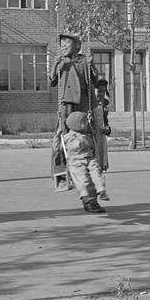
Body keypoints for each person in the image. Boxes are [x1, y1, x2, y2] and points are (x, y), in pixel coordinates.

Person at [49, 32, 99, 188]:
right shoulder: (62, 62)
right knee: (62, 139)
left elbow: (94, 80)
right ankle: (61, 174)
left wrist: (92, 65)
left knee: (84, 139)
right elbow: (53, 81)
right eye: (61, 43)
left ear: (77, 45)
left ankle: (87, 172)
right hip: (67, 104)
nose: (63, 46)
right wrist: (56, 65)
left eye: (67, 43)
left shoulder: (84, 60)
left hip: (83, 105)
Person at [63, 111, 109, 213]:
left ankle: (101, 190)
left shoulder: (87, 133)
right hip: (76, 161)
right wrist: (79, 142)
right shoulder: (71, 135)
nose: (87, 124)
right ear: (76, 124)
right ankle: (85, 196)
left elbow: (92, 135)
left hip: (89, 158)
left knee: (97, 172)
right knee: (82, 177)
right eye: (84, 122)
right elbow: (72, 145)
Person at [92, 79, 111, 172]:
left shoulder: (105, 104)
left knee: (100, 163)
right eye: (99, 91)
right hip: (92, 135)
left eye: (103, 91)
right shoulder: (89, 104)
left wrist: (108, 129)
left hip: (101, 135)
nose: (101, 94)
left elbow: (106, 121)